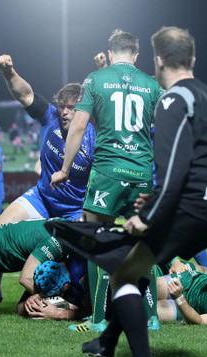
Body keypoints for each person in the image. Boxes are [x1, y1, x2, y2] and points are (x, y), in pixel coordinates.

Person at [78, 26, 207, 357]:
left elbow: (173, 171)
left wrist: (147, 216)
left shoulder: (172, 99)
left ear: (157, 60)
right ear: (192, 59)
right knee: (138, 265)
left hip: (197, 208)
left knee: (122, 273)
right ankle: (107, 342)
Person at [50, 30, 163, 334]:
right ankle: (151, 317)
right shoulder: (153, 85)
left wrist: (64, 168)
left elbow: (77, 127)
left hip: (108, 173)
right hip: (141, 174)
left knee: (96, 239)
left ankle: (99, 319)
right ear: (137, 55)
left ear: (110, 54)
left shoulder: (95, 80)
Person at [0, 54, 96, 224]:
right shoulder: (50, 117)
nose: (64, 112)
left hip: (73, 211)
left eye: (71, 108)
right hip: (41, 199)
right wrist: (9, 72)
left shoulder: (94, 138)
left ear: (83, 110)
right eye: (62, 106)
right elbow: (26, 95)